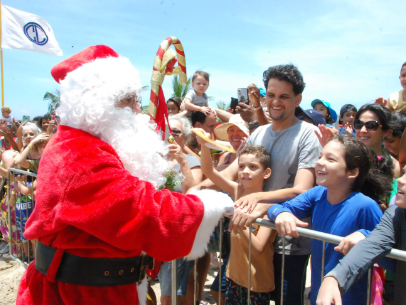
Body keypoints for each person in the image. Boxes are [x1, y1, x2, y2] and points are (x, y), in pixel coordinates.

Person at [16, 45, 234, 305]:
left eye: (136, 101)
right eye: (128, 101)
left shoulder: (88, 142)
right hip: (78, 294)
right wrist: (211, 204)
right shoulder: (77, 150)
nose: (137, 111)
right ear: (97, 104)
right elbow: (141, 210)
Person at [191, 64, 322, 305]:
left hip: (288, 244)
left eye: (284, 96)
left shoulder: (308, 134)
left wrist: (257, 199)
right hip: (248, 236)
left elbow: (303, 189)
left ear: (298, 99)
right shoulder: (258, 133)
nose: (275, 102)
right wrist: (198, 188)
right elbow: (231, 172)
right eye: (270, 95)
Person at [268, 136, 392, 305]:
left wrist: (366, 236)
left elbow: (390, 256)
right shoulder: (317, 193)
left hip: (351, 298)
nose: (320, 163)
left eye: (330, 159)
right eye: (320, 157)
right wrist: (282, 214)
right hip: (320, 295)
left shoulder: (365, 206)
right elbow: (276, 208)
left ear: (352, 172)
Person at [196, 130, 276, 304]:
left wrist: (237, 219)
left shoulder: (269, 206)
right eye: (241, 166)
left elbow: (258, 248)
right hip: (233, 276)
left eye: (253, 167)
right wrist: (205, 144)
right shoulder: (238, 191)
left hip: (256, 282)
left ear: (266, 173)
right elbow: (209, 171)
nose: (245, 171)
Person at [316, 162, 406, 305]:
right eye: (403, 173)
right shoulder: (396, 213)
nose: (400, 180)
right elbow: (373, 244)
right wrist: (334, 278)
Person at [159, 115, 203, 305]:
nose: (170, 135)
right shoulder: (153, 159)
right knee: (162, 287)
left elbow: (193, 192)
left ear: (184, 138)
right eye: (167, 131)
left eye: (175, 132)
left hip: (177, 232)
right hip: (154, 231)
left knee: (171, 293)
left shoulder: (193, 162)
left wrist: (182, 162)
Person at [354, 103, 401, 178]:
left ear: (386, 132)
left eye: (371, 125)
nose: (363, 130)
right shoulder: (344, 157)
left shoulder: (395, 168)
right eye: (359, 124)